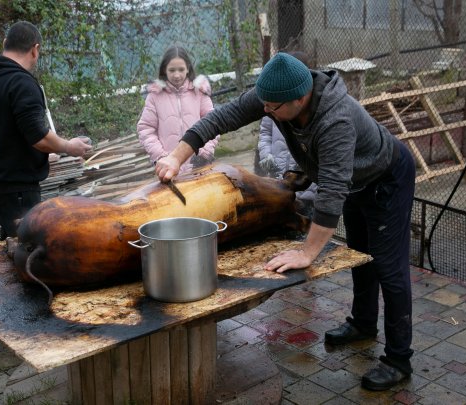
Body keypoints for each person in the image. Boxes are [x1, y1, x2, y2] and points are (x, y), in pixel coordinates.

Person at [155, 53, 416, 391]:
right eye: (264, 104)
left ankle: (398, 359)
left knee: (389, 269)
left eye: (273, 108)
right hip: (355, 180)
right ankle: (363, 324)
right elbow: (223, 117)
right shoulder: (275, 93)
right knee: (361, 256)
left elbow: (332, 194)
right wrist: (175, 157)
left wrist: (307, 253)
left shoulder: (335, 118)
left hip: (386, 179)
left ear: (300, 98)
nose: (266, 111)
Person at [0, 21, 92, 239]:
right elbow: (38, 136)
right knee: (28, 242)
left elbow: (8, 129)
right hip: (14, 182)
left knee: (13, 236)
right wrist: (68, 146)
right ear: (35, 49)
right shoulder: (20, 82)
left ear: (4, 44)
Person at [137, 46, 219, 174]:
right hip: (168, 169)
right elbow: (145, 129)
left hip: (200, 167)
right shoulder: (155, 95)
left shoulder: (199, 92)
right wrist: (161, 156)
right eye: (172, 70)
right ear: (165, 70)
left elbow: (214, 123)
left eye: (181, 69)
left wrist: (204, 153)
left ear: (188, 69)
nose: (177, 75)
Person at [255, 51, 317, 218]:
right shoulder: (274, 105)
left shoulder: (314, 114)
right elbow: (265, 133)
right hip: (279, 182)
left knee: (305, 225)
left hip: (307, 194)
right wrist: (266, 155)